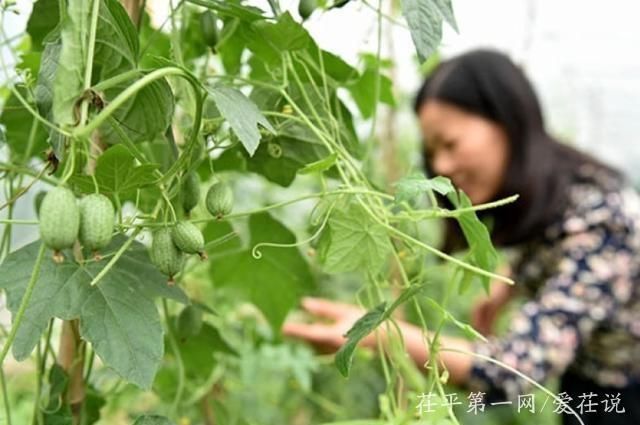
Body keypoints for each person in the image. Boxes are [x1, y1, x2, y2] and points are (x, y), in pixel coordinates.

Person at [283, 49, 640, 425]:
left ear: (507, 123)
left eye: (450, 144)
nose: (440, 167)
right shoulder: (565, 192)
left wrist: (383, 335)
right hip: (592, 385)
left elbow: (513, 371)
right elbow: (564, 250)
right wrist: (513, 282)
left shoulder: (604, 221)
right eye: (431, 151)